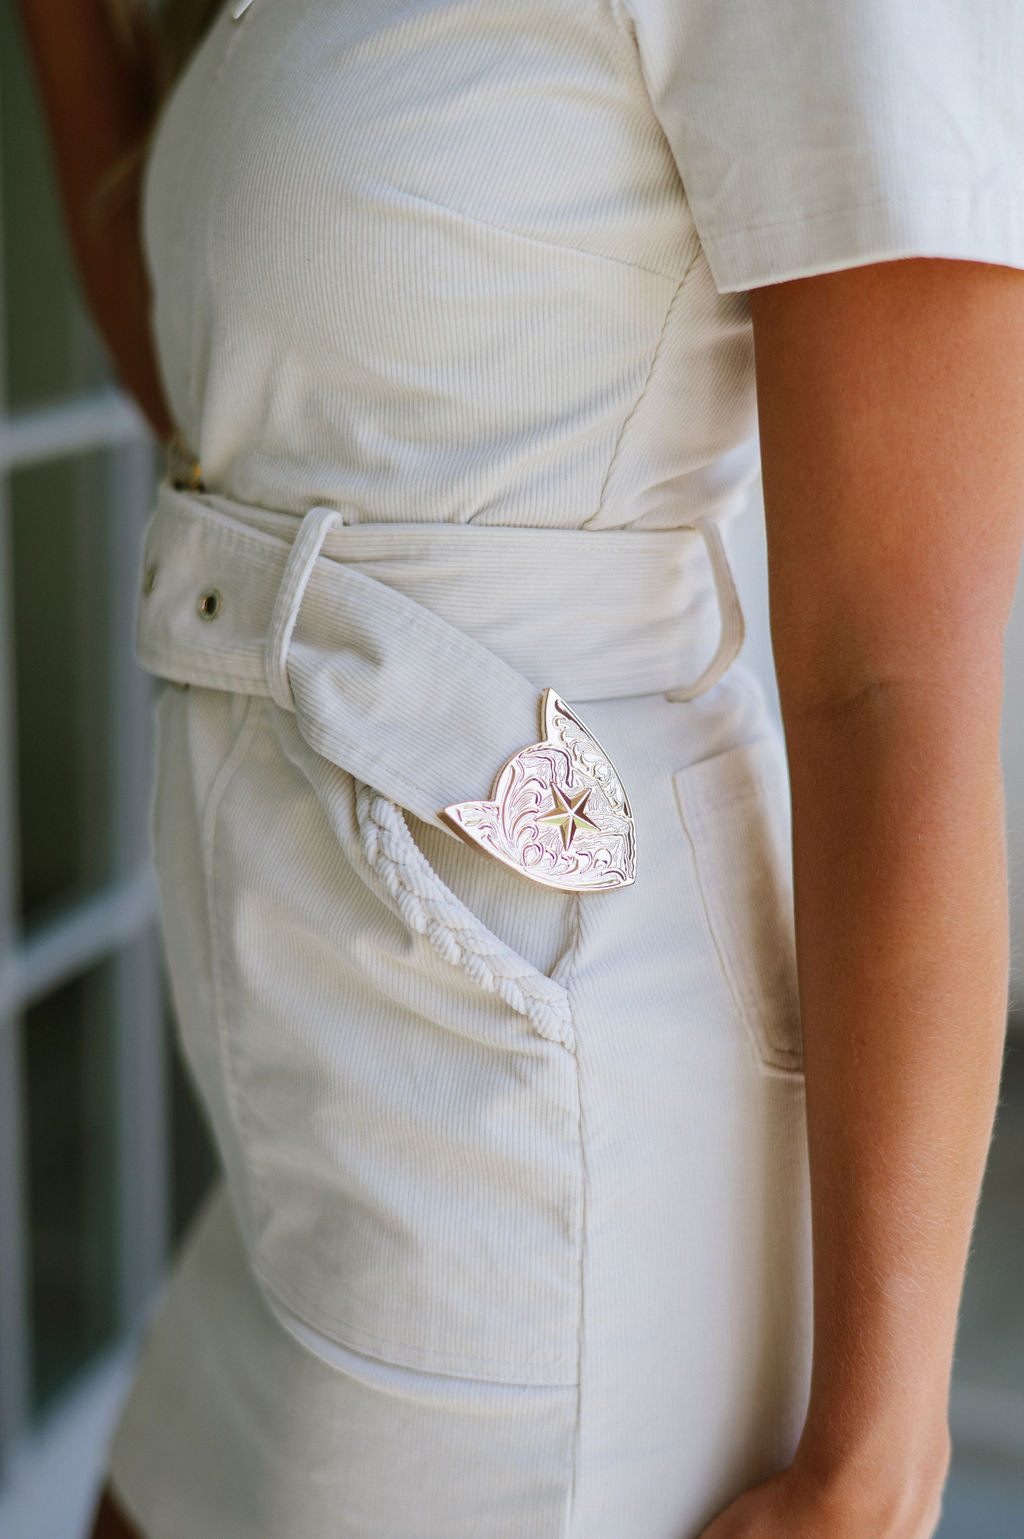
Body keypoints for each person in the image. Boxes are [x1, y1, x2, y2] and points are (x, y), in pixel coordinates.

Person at [17, 1, 1024, 1536]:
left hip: (532, 1134)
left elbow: (888, 683)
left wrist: (877, 1461)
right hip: (305, 1079)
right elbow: (236, 396)